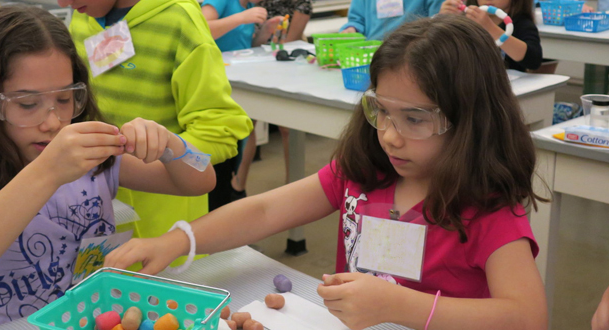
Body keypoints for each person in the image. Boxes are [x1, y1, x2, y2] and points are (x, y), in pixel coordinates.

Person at [104, 14, 549, 329]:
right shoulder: (362, 174)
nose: (391, 136)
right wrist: (179, 240)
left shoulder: (490, 208)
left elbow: (527, 318)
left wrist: (401, 306)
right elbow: (264, 212)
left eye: (415, 119)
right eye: (382, 112)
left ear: (469, 118)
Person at [0, 6, 215, 329]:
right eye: (28, 104)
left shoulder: (93, 158)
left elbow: (200, 181)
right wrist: (48, 171)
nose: (53, 122)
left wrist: (171, 145)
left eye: (65, 99)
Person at [59, 0, 252, 250]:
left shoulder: (179, 21)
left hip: (165, 228)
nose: (63, 3)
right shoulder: (82, 16)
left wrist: (167, 146)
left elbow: (219, 132)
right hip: (95, 219)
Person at [440, 0, 542, 72]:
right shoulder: (464, 20)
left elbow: (533, 60)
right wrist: (442, 20)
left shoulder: (522, 23)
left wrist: (490, 28)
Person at [340, 0, 444, 40]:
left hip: (413, 55)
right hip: (372, 54)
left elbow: (437, 22)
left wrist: (444, 14)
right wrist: (352, 28)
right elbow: (357, 19)